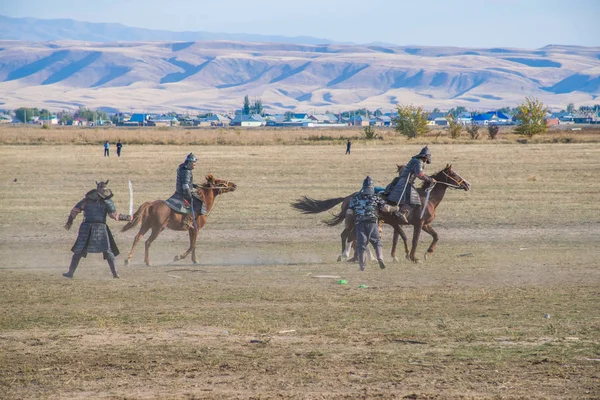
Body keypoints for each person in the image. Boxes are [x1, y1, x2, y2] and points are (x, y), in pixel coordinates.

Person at [63, 180, 132, 279]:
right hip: (96, 228)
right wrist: (127, 218)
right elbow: (114, 216)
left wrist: (69, 222)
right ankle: (115, 274)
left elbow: (74, 211)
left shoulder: (86, 201)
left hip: (89, 228)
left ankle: (71, 273)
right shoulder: (102, 201)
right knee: (106, 251)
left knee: (82, 251)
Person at [348, 176, 399, 271]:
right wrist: (396, 208)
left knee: (361, 244)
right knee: (376, 242)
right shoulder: (375, 197)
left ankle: (362, 266)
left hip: (360, 223)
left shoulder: (355, 198)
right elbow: (386, 208)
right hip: (372, 222)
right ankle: (380, 258)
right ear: (371, 187)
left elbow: (349, 212)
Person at [386, 146, 436, 224]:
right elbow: (419, 174)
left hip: (405, 181)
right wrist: (430, 179)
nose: (426, 160)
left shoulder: (416, 160)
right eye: (426, 159)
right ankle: (402, 212)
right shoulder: (418, 162)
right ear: (425, 156)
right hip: (405, 182)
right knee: (415, 199)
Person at [165, 153, 205, 229]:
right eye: (194, 163)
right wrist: (189, 195)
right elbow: (185, 185)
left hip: (183, 190)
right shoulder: (186, 171)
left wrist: (194, 185)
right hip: (183, 192)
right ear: (189, 163)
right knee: (199, 203)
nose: (194, 165)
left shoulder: (183, 169)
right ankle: (188, 220)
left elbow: (186, 182)